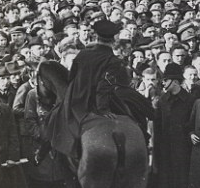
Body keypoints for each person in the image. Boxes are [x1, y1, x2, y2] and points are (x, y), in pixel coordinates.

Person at [48, 18, 151, 161]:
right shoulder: (113, 60)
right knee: (133, 117)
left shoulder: (83, 54)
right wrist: (103, 110)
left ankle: (48, 152)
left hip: (76, 100)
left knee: (54, 119)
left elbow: (71, 77)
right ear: (114, 39)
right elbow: (104, 87)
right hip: (98, 101)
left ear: (97, 36)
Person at [154, 62, 195, 188]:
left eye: (166, 80)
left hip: (184, 147)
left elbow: (193, 124)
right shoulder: (164, 100)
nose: (163, 83)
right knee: (168, 177)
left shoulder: (190, 100)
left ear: (175, 82)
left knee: (182, 180)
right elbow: (158, 123)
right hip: (166, 146)